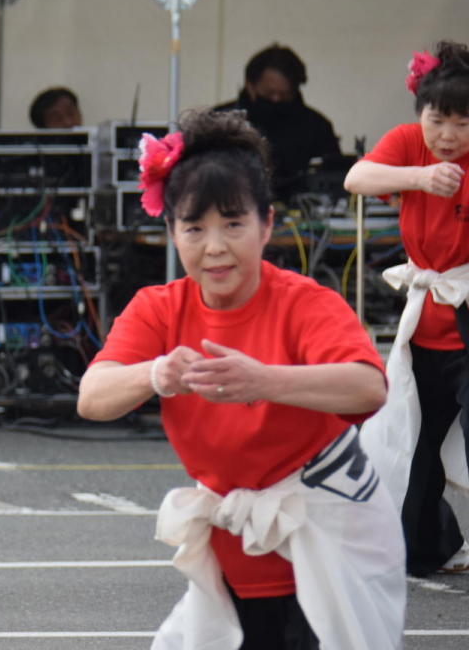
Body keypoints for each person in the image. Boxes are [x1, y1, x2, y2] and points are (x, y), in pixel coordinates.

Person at [78, 110, 404, 650]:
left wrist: (264, 381)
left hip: (329, 534)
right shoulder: (158, 308)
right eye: (195, 227)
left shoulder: (303, 301)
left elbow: (368, 387)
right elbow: (93, 397)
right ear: (171, 231)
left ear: (267, 224)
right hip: (237, 549)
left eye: (233, 224)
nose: (215, 247)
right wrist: (157, 373)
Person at [344, 40, 469, 577]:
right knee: (414, 444)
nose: (447, 135)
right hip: (425, 320)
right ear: (420, 114)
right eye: (437, 119)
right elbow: (356, 179)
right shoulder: (406, 146)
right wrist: (417, 179)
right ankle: (424, 546)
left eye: (463, 124)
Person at [216, 44, 343, 201]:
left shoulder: (316, 126)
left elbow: (334, 178)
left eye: (284, 95)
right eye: (269, 93)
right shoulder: (220, 121)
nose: (276, 99)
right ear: (250, 85)